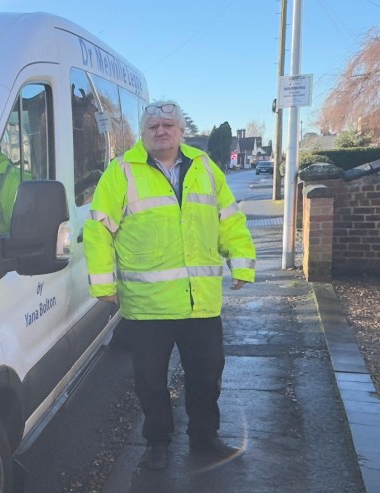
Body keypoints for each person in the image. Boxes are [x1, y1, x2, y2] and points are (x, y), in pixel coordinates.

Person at [82, 100, 256, 470]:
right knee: (150, 382)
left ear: (180, 131)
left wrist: (241, 264)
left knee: (207, 377)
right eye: (153, 127)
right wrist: (103, 284)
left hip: (200, 302)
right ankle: (157, 443)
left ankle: (204, 439)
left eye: (168, 125)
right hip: (148, 304)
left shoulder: (206, 167)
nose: (161, 131)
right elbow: (98, 231)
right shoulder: (121, 171)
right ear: (143, 134)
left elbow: (230, 219)